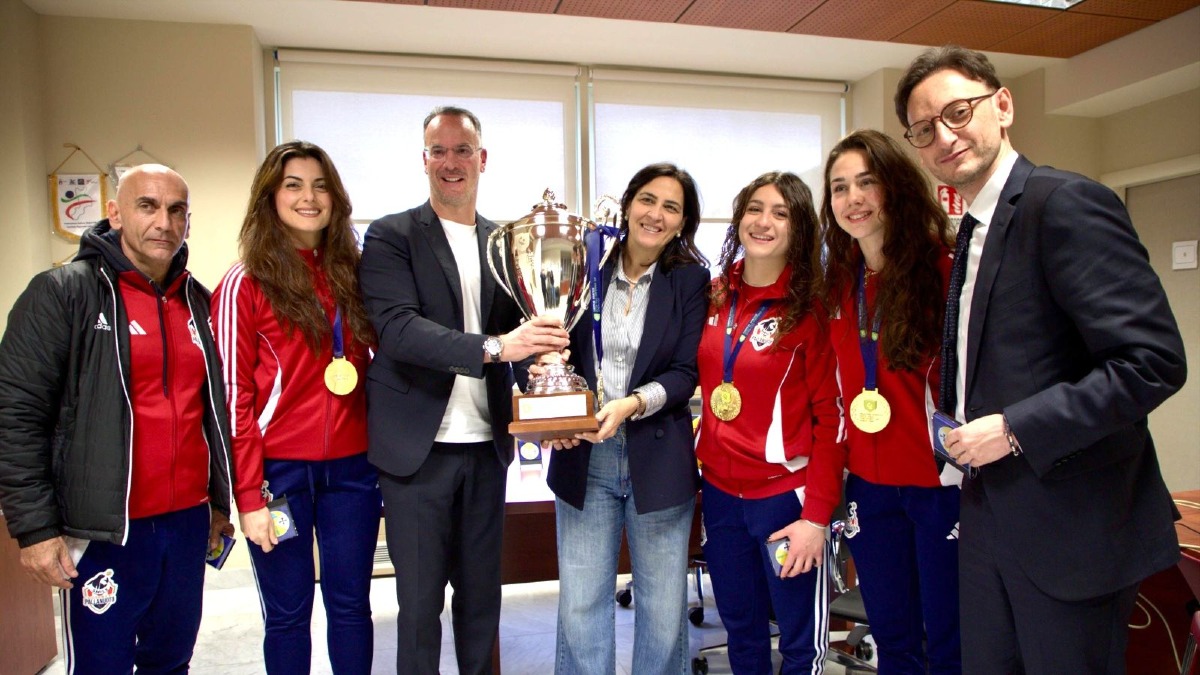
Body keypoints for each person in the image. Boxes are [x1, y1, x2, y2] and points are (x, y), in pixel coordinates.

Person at [895, 45, 1187, 674]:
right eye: (924, 129)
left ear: (1002, 106)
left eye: (958, 112)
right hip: (989, 516)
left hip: (1072, 528)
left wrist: (1014, 428)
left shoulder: (1065, 203)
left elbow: (1152, 361)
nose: (944, 136)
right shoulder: (973, 228)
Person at [358, 105, 570, 674]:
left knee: (481, 601)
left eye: (462, 150)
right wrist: (498, 347)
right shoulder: (391, 236)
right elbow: (399, 331)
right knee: (419, 607)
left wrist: (547, 385)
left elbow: (523, 332)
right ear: (424, 159)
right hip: (417, 452)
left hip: (485, 449)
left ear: (483, 159)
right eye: (439, 151)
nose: (450, 162)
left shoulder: (505, 241)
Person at [0, 164, 234, 673]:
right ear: (115, 214)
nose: (164, 222)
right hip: (104, 532)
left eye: (177, 210)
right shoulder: (64, 293)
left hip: (186, 525)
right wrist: (35, 530)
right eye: (147, 206)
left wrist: (218, 503)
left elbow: (210, 413)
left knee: (171, 662)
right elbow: (15, 415)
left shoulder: (199, 302)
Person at [212, 141, 380, 674]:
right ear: (270, 196)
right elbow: (232, 400)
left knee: (352, 605)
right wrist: (248, 497)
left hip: (353, 471)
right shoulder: (244, 283)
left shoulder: (355, 275)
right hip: (277, 476)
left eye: (320, 186)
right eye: (293, 185)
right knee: (288, 614)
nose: (309, 197)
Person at [544, 163, 710, 674]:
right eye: (647, 200)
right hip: (585, 453)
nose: (656, 214)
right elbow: (545, 343)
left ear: (682, 223)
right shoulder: (583, 264)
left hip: (658, 456)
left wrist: (633, 403)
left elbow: (685, 373)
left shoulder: (690, 281)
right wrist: (553, 410)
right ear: (628, 204)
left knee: (661, 610)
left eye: (671, 207)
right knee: (581, 603)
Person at [819, 129, 960, 674]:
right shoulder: (839, 282)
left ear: (894, 187)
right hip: (870, 486)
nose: (852, 198)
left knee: (948, 640)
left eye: (866, 182)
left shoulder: (943, 270)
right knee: (893, 639)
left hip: (938, 484)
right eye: (839, 187)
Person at [694, 171, 844, 674]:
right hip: (720, 495)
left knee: (800, 644)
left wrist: (816, 518)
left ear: (799, 229)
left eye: (781, 213)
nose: (763, 222)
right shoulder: (714, 295)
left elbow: (832, 420)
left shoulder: (811, 310)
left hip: (785, 499)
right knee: (741, 633)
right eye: (755, 209)